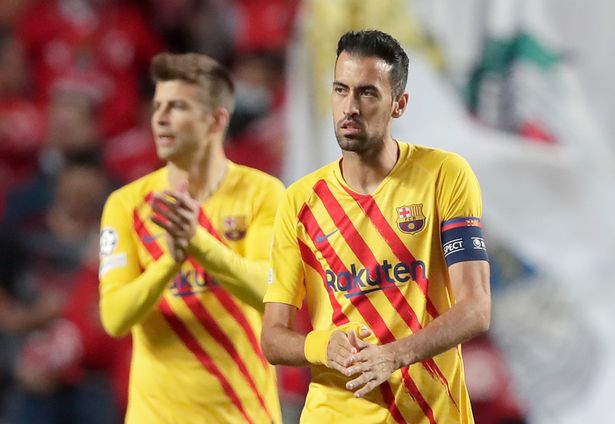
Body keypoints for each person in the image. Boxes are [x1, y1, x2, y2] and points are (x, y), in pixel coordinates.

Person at [261, 30, 491, 423]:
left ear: (398, 104)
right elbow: (272, 337)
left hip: (430, 413)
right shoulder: (300, 201)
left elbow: (475, 308)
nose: (349, 107)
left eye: (367, 93)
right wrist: (322, 346)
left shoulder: (444, 176)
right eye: (340, 90)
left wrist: (394, 355)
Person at [98, 52, 284, 423]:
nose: (160, 119)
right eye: (158, 107)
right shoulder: (127, 205)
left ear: (216, 120)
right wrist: (170, 261)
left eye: (177, 106)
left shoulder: (264, 193)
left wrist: (198, 243)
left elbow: (272, 296)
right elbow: (115, 318)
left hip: (244, 415)